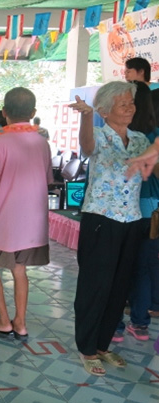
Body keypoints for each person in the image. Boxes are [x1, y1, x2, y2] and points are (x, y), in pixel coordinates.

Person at [69, 81, 149, 376]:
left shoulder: (140, 139)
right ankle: (87, 348)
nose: (130, 108)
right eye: (123, 103)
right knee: (95, 286)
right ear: (104, 110)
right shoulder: (99, 135)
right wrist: (87, 116)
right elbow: (87, 146)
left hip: (131, 220)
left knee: (119, 287)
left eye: (131, 103)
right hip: (101, 219)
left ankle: (103, 345)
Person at [0, 87, 52, 343]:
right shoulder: (41, 142)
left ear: (4, 112)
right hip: (32, 225)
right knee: (19, 270)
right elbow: (47, 178)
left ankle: (4, 321)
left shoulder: (0, 142)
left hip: (4, 225)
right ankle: (21, 323)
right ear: (33, 112)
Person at [112, 81, 159, 343]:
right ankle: (140, 324)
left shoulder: (124, 135)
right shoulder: (154, 135)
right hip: (150, 212)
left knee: (119, 269)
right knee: (142, 269)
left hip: (124, 210)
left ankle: (115, 325)